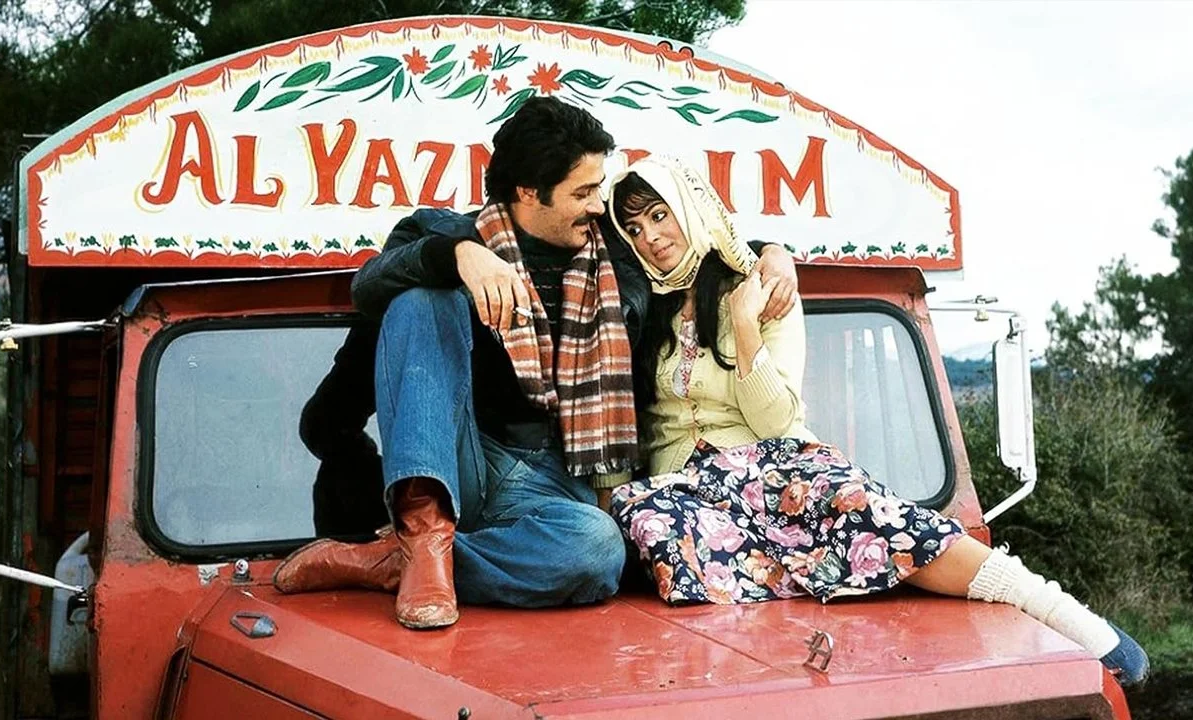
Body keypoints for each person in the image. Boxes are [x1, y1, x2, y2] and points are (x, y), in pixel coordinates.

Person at [605, 155, 1150, 686]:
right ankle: (819, 591)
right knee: (650, 523)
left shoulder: (762, 289)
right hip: (683, 494)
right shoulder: (636, 305)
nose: (650, 236)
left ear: (691, 207)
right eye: (633, 227)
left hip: (770, 467)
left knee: (859, 505)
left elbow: (776, 422)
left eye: (659, 214)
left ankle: (1053, 608)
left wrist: (745, 327)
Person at [272, 98, 800, 630]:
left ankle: (400, 560)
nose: (599, 204)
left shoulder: (619, 250)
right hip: (465, 458)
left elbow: (694, 247)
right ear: (529, 191)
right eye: (583, 192)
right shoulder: (448, 232)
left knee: (599, 549)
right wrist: (458, 256)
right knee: (421, 297)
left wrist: (773, 254)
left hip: (553, 480)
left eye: (598, 188)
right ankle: (423, 529)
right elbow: (369, 287)